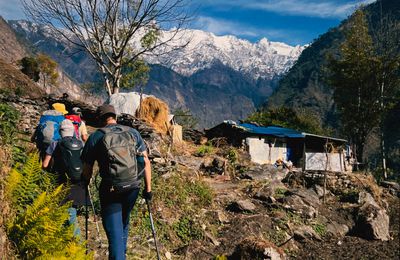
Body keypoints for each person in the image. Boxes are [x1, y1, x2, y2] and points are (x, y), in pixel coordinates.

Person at [81, 104, 152, 260]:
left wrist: (84, 184)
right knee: (123, 222)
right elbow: (146, 161)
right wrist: (148, 189)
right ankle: (122, 255)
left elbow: (87, 169)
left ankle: (119, 256)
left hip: (111, 190)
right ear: (115, 116)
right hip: (133, 187)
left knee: (114, 234)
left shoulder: (96, 137)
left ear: (100, 119)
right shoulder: (133, 133)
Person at [42, 119, 86, 237]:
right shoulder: (81, 144)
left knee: (69, 214)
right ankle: (66, 240)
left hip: (62, 183)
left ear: (60, 131)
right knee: (71, 211)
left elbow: (45, 165)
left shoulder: (54, 144)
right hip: (79, 184)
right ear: (72, 131)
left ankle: (78, 243)